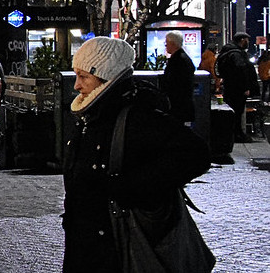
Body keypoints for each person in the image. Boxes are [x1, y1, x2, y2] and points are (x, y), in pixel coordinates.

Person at [63, 37, 210, 272]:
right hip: (88, 239)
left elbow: (195, 154)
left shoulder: (136, 117)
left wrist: (128, 188)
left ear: (106, 78)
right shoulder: (91, 115)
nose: (77, 86)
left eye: (84, 77)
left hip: (116, 244)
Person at [216, 32, 259, 143]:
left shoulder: (228, 52)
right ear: (242, 40)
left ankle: (235, 134)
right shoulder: (236, 54)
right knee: (237, 113)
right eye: (247, 40)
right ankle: (237, 135)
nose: (248, 42)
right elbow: (241, 70)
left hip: (230, 88)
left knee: (234, 113)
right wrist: (245, 87)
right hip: (237, 90)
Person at [160, 30, 195, 125]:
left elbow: (175, 84)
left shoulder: (179, 60)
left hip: (178, 105)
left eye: (167, 42)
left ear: (173, 43)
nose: (165, 45)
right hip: (181, 105)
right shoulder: (182, 58)